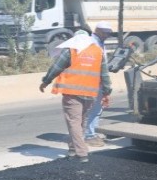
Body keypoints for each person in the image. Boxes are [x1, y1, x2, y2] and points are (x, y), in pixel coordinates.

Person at [39, 29, 109, 162]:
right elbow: (104, 74)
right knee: (80, 121)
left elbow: (56, 67)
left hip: (72, 93)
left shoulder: (71, 50)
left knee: (74, 122)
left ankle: (82, 153)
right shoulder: (98, 52)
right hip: (90, 93)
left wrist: (45, 81)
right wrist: (107, 92)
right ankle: (72, 148)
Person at [83, 21, 114, 147]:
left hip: (98, 79)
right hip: (94, 80)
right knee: (94, 109)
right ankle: (89, 135)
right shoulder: (92, 43)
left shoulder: (100, 42)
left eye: (109, 33)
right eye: (105, 33)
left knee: (98, 108)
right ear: (98, 31)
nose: (107, 35)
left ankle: (93, 132)